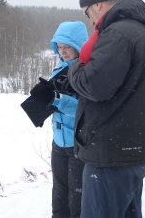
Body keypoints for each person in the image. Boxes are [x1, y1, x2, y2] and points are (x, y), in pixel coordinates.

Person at [67, 0, 145, 218]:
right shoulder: (141, 30)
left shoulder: (117, 34)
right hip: (130, 146)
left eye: (86, 12)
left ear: (97, 4)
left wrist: (75, 67)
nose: (89, 19)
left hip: (111, 152)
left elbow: (94, 85)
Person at [43, 21, 88, 218]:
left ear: (79, 45)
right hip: (58, 141)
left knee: (77, 191)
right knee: (59, 189)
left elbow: (86, 108)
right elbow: (55, 100)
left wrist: (59, 101)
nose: (63, 51)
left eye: (67, 46)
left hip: (77, 143)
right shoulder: (59, 68)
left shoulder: (86, 71)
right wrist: (41, 100)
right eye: (59, 47)